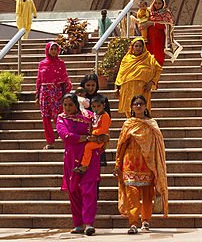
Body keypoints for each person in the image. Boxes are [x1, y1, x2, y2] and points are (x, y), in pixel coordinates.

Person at [116, 94, 169, 234]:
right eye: (135, 104)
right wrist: (118, 163)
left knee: (147, 195)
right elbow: (121, 145)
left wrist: (157, 165)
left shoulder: (152, 124)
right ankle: (133, 223)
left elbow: (158, 146)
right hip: (130, 163)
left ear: (146, 106)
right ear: (132, 107)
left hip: (148, 164)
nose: (138, 106)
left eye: (141, 103)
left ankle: (145, 221)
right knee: (132, 195)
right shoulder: (128, 124)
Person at [56, 93, 105, 236]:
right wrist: (84, 138)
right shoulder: (61, 118)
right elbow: (65, 135)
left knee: (88, 189)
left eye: (70, 105)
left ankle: (89, 223)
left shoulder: (89, 116)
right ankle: (78, 224)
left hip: (90, 157)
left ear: (76, 105)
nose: (67, 108)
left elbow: (99, 129)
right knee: (74, 190)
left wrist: (99, 138)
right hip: (72, 158)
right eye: (65, 105)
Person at [36, 41, 71, 149]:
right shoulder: (42, 64)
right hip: (45, 93)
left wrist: (66, 92)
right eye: (52, 49)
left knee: (59, 116)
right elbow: (39, 80)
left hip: (57, 92)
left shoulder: (61, 63)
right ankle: (50, 141)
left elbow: (65, 78)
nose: (54, 51)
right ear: (47, 50)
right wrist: (37, 95)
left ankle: (65, 137)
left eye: (56, 49)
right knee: (46, 118)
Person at [116, 38, 162, 116]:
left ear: (143, 47)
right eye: (136, 46)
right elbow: (121, 73)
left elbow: (158, 70)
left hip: (142, 88)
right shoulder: (126, 59)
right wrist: (117, 87)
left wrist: (152, 82)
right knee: (129, 109)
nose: (138, 48)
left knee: (142, 108)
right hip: (127, 88)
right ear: (132, 47)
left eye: (140, 46)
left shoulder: (149, 58)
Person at [76, 94, 111, 173]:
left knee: (88, 147)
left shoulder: (105, 116)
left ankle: (84, 165)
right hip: (92, 136)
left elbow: (103, 128)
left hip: (100, 138)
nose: (96, 109)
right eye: (94, 106)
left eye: (98, 106)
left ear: (104, 105)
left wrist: (93, 133)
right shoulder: (94, 115)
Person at [145, 0, 175, 66]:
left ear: (162, 4)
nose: (157, 5)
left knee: (158, 54)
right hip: (149, 37)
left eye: (159, 3)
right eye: (155, 3)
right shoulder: (149, 12)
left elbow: (167, 25)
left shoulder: (166, 13)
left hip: (159, 37)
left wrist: (152, 23)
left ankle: (158, 69)